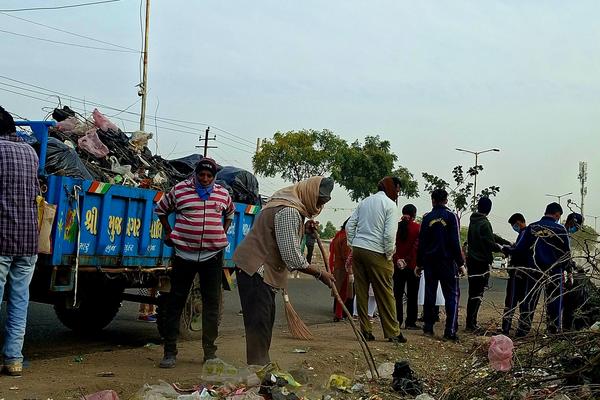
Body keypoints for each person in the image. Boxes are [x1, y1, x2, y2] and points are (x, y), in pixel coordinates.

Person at [233, 176, 335, 365]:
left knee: (264, 322)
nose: (320, 204)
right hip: (256, 269)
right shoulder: (289, 210)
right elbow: (292, 257)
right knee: (259, 325)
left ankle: (261, 366)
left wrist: (303, 229)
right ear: (310, 193)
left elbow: (280, 233)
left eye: (324, 201)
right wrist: (320, 273)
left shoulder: (288, 204)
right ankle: (259, 369)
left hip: (257, 270)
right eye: (319, 199)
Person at [155, 157, 235, 368]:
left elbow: (230, 213)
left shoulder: (222, 194)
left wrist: (221, 233)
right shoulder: (180, 190)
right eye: (202, 175)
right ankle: (170, 352)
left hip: (212, 256)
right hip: (183, 254)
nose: (205, 179)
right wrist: (170, 232)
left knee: (211, 304)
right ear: (196, 174)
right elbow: (161, 210)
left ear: (214, 176)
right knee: (175, 302)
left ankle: (210, 353)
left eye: (209, 175)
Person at [0, 106, 40, 376]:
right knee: (19, 301)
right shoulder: (30, 152)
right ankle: (13, 359)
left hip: (1, 239)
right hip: (28, 241)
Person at [346, 176, 407, 343]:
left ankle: (365, 331)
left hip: (359, 249)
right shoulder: (390, 205)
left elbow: (350, 225)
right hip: (377, 251)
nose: (398, 193)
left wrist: (353, 244)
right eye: (397, 190)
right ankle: (393, 332)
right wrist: (388, 255)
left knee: (362, 292)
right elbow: (389, 235)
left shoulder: (365, 202)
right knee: (386, 293)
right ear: (391, 188)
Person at [511, 202, 571, 336]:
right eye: (558, 216)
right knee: (554, 301)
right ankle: (553, 331)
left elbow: (519, 249)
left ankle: (523, 329)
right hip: (554, 272)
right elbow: (566, 254)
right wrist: (568, 270)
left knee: (529, 300)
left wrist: (509, 252)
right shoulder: (561, 230)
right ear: (557, 214)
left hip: (534, 270)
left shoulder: (532, 227)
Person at [416, 189, 465, 342]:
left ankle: (428, 328)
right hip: (447, 261)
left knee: (430, 294)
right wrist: (461, 263)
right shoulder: (451, 217)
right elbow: (455, 241)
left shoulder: (427, 218)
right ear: (446, 200)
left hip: (430, 262)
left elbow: (421, 243)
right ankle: (449, 331)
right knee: (452, 295)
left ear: (433, 200)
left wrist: (419, 263)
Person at [465, 197, 510, 333]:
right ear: (489, 209)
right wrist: (503, 249)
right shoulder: (484, 223)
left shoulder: (474, 221)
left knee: (472, 293)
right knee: (477, 294)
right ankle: (471, 323)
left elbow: (491, 236)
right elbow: (490, 242)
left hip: (472, 261)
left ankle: (470, 322)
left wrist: (505, 242)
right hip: (480, 262)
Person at [393, 204, 421, 329]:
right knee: (412, 294)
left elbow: (391, 245)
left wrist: (398, 259)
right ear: (414, 214)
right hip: (412, 266)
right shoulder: (417, 228)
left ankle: (397, 320)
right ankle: (410, 322)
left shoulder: (395, 227)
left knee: (397, 294)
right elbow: (417, 246)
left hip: (397, 265)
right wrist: (407, 259)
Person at [500, 213, 528, 335]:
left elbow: (518, 251)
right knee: (523, 302)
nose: (514, 227)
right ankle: (522, 328)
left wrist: (507, 249)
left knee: (510, 301)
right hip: (524, 273)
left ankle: (506, 328)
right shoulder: (525, 234)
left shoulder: (524, 233)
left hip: (517, 272)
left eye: (513, 225)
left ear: (518, 222)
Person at [562, 212, 586, 331]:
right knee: (561, 302)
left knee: (566, 302)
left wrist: (573, 265)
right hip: (557, 272)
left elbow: (567, 255)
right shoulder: (562, 233)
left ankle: (562, 327)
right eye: (576, 227)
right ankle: (557, 328)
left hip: (564, 271)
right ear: (572, 222)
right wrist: (571, 265)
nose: (576, 229)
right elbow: (563, 255)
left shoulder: (567, 235)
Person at [329, 219, 354, 322]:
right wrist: (351, 272)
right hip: (344, 269)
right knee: (344, 293)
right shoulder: (346, 237)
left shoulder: (339, 235)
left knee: (340, 292)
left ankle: (338, 314)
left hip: (338, 267)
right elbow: (346, 256)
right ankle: (339, 314)